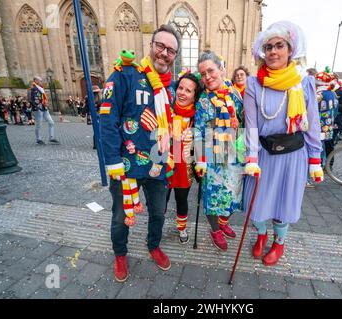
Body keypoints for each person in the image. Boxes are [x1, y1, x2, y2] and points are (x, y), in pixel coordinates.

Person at [100, 24, 181, 282]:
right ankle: (120, 253)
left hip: (158, 163)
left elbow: (174, 126)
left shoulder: (170, 89)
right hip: (126, 165)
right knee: (121, 215)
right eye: (161, 46)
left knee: (158, 212)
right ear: (151, 45)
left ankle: (153, 245)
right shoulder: (125, 75)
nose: (164, 53)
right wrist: (112, 161)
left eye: (170, 50)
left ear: (174, 56)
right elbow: (107, 120)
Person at [243, 21, 323, 266]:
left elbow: (313, 124)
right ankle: (261, 235)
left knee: (283, 204)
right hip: (265, 154)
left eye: (279, 46)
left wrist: (315, 161)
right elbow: (251, 125)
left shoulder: (304, 83)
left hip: (293, 155)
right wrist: (252, 158)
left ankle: (279, 242)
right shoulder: (254, 84)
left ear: (290, 50)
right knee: (257, 203)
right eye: (268, 47)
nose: (273, 52)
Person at [194, 50, 244, 252]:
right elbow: (197, 131)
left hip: (234, 154)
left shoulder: (236, 94)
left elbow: (243, 122)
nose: (207, 77)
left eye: (211, 71)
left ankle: (224, 222)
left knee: (233, 194)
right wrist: (200, 159)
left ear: (222, 69)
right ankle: (215, 229)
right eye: (203, 74)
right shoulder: (203, 102)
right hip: (212, 157)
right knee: (212, 197)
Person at [166, 72, 202, 244]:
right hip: (164, 166)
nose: (182, 93)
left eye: (188, 90)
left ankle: (182, 228)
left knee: (181, 200)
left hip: (184, 168)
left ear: (194, 96)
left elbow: (202, 144)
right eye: (180, 88)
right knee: (160, 201)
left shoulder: (197, 118)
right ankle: (156, 226)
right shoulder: (167, 111)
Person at [315, 69, 338, 165]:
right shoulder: (333, 94)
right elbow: (336, 110)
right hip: (329, 125)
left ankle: (319, 164)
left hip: (318, 125)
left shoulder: (318, 95)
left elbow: (313, 110)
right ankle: (324, 164)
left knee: (318, 146)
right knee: (324, 144)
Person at [30, 76, 60, 145]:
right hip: (38, 109)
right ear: (36, 81)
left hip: (44, 108)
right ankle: (38, 139)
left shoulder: (41, 89)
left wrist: (46, 104)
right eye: (40, 81)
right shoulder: (33, 89)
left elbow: (43, 99)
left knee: (51, 123)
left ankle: (51, 137)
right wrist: (37, 107)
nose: (42, 82)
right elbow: (31, 99)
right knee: (39, 125)